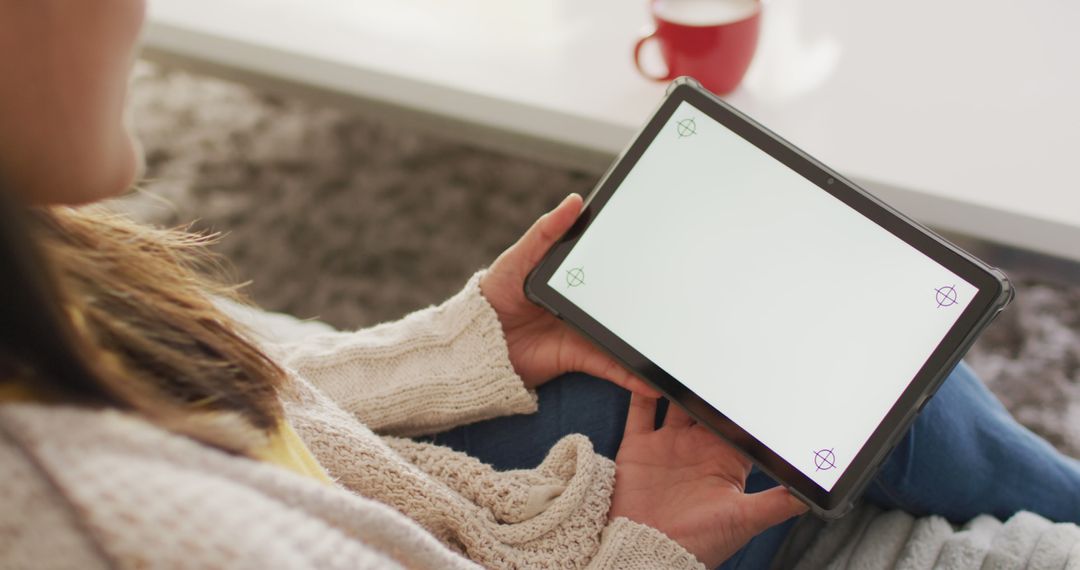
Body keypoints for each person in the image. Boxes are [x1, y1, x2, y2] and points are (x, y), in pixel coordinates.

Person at [0, 1, 1077, 568]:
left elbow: (233, 407)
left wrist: (464, 345)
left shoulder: (33, 286)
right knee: (873, 387)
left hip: (443, 496)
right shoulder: (94, 528)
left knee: (769, 360)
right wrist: (646, 543)